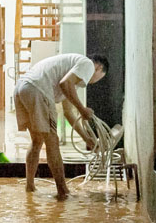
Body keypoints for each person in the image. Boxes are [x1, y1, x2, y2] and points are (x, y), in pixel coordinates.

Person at [15, 53, 108, 199]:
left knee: (37, 140)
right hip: (38, 89)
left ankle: (30, 186)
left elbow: (68, 113)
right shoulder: (88, 65)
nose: (92, 82)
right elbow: (65, 84)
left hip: (23, 88)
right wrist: (83, 109)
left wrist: (87, 139)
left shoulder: (71, 73)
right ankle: (62, 191)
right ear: (98, 68)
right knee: (52, 141)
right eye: (98, 78)